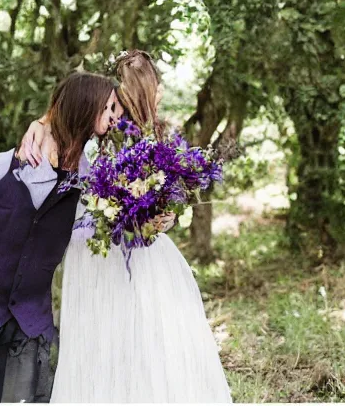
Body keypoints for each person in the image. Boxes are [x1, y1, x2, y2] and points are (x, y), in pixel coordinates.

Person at [19, 50, 232, 402]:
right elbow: (63, 121)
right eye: (157, 84)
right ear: (144, 87)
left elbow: (163, 196)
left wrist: (166, 216)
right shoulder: (98, 132)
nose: (160, 92)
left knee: (151, 336)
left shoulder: (155, 138)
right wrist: (40, 122)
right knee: (109, 336)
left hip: (140, 251)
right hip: (97, 249)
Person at [0, 72, 122, 403]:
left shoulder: (89, 184)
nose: (116, 116)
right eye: (110, 108)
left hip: (28, 325)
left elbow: (103, 226)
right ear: (84, 107)